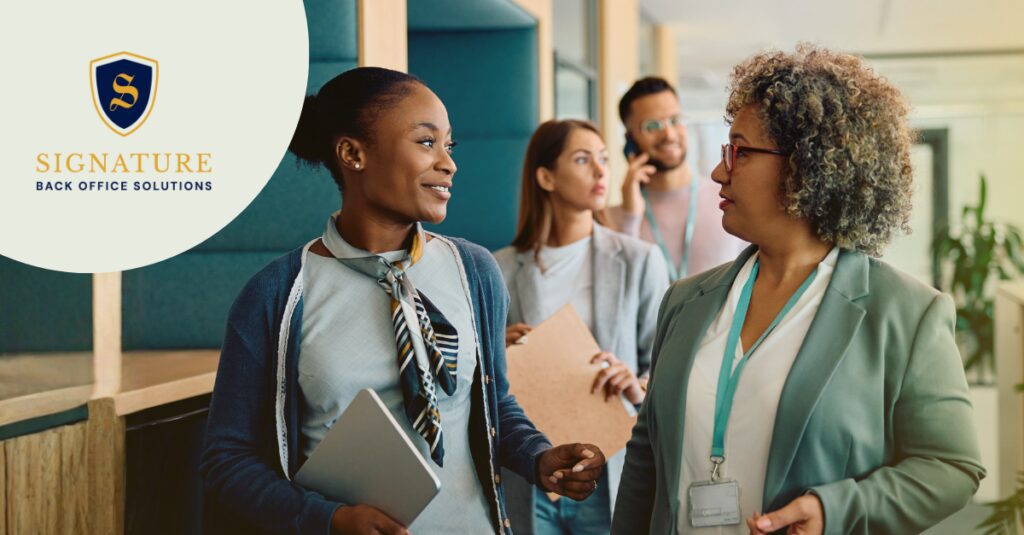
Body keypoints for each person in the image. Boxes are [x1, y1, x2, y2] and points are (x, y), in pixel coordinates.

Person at [201, 67, 606, 535]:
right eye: (426, 142)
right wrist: (328, 519)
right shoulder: (276, 294)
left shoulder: (474, 271)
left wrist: (539, 456)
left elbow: (494, 407)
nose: (449, 164)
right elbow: (226, 461)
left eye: (449, 146)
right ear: (352, 154)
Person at [612, 45, 985, 535]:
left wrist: (838, 509)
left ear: (807, 167)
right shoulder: (685, 300)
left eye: (740, 151)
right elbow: (646, 459)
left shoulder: (907, 314)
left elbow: (951, 468)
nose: (719, 171)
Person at [494, 119, 670, 535]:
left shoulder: (638, 260)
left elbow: (665, 369)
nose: (600, 170)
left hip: (611, 466)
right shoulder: (499, 269)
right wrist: (495, 347)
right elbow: (482, 379)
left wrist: (635, 382)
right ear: (546, 176)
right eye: (582, 159)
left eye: (604, 159)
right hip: (533, 472)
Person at [605, 77, 746, 281]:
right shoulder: (614, 219)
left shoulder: (727, 200)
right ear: (630, 140)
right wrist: (630, 219)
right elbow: (619, 290)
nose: (669, 134)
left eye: (674, 120)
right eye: (652, 126)